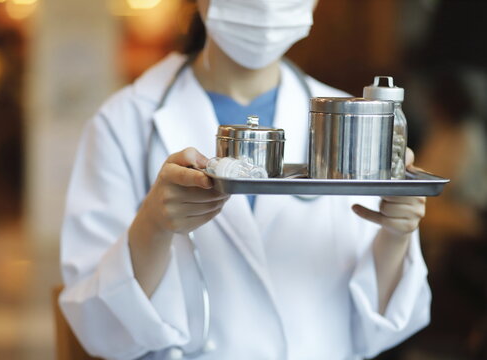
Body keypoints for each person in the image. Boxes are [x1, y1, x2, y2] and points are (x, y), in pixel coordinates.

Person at [59, 1, 430, 359]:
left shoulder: (354, 119)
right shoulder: (124, 123)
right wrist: (153, 226)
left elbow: (381, 329)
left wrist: (396, 234)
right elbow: (98, 330)